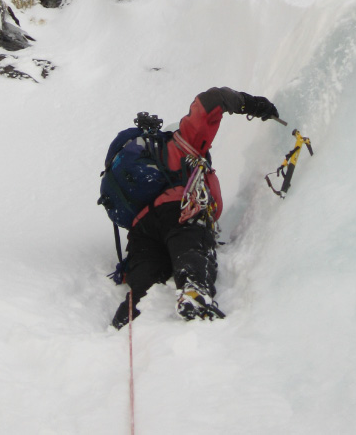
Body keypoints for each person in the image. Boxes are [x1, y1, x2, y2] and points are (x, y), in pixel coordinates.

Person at [111, 86, 278, 328]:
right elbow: (211, 101)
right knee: (190, 247)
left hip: (142, 228)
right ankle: (194, 292)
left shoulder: (137, 171)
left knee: (144, 279)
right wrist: (252, 104)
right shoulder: (182, 143)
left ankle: (127, 316)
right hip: (180, 210)